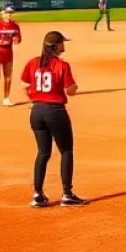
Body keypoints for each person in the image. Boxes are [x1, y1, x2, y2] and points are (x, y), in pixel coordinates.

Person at [21, 31, 86, 207]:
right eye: (62, 43)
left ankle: (37, 195)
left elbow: (25, 85)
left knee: (43, 152)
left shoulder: (33, 62)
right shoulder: (61, 65)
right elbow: (70, 91)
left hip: (37, 110)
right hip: (55, 111)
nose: (64, 46)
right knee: (66, 150)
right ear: (55, 46)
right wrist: (75, 86)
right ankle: (67, 194)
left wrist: (35, 100)